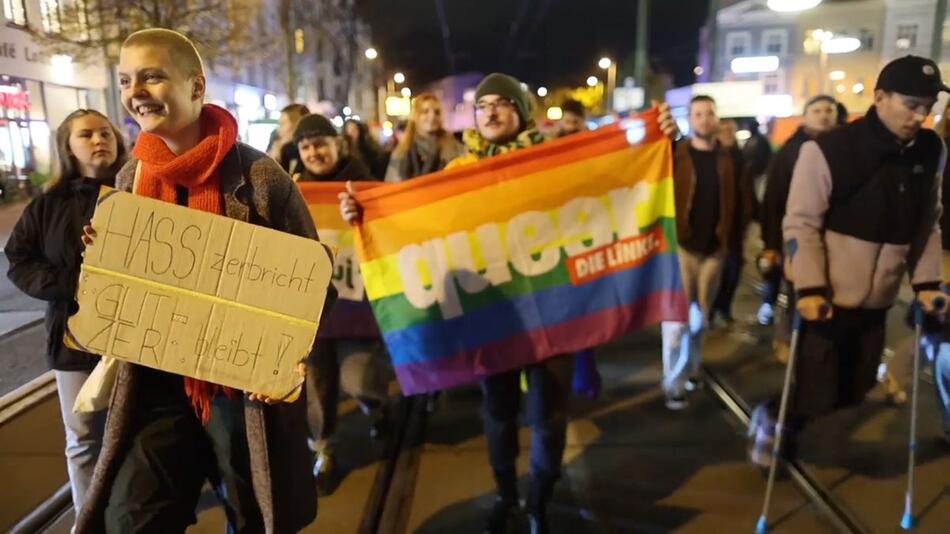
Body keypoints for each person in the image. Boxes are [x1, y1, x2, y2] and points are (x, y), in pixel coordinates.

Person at [73, 29, 330, 533]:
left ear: (196, 87)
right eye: (126, 79)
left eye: (152, 76)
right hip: (156, 386)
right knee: (133, 517)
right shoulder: (130, 180)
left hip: (237, 392)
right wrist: (103, 257)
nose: (136, 91)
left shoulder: (262, 177)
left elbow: (315, 289)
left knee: (251, 513)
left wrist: (284, 359)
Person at [748, 55, 949, 468]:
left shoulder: (930, 151)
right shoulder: (828, 150)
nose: (920, 115)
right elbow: (800, 224)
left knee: (854, 390)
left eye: (928, 106)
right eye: (911, 103)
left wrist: (928, 284)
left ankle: (787, 418)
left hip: (877, 300)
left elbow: (928, 223)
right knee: (813, 390)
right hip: (824, 295)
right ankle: (772, 421)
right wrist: (810, 288)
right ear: (879, 97)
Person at [5, 109, 127, 520]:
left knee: (132, 432)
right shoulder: (47, 205)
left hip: (134, 338)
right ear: (68, 146)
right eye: (86, 134)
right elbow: (19, 259)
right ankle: (88, 518)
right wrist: (71, 284)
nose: (99, 140)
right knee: (84, 438)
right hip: (73, 340)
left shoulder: (142, 192)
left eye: (105, 132)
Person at [291, 112, 391, 493]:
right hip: (312, 311)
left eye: (320, 143)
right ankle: (323, 450)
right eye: (306, 146)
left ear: (338, 145)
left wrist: (363, 214)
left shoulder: (366, 185)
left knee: (360, 377)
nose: (314, 152)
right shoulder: (290, 188)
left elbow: (388, 233)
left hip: (358, 308)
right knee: (316, 386)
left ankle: (375, 406)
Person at [661, 95, 745, 411]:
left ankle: (692, 367)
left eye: (710, 113)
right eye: (698, 114)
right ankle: (673, 382)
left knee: (700, 318)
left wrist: (733, 244)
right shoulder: (677, 154)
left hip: (714, 250)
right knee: (678, 320)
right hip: (682, 246)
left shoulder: (728, 159)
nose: (704, 119)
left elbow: (740, 201)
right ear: (690, 118)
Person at [758, 95, 838, 353]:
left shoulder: (845, 148)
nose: (824, 115)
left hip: (835, 237)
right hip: (798, 234)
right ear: (805, 116)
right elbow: (773, 199)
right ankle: (792, 342)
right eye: (817, 110)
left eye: (829, 110)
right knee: (799, 289)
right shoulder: (789, 151)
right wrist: (770, 244)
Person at [709, 118, 746, 325]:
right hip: (716, 226)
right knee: (718, 272)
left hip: (736, 226)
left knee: (734, 269)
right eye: (722, 130)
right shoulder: (713, 156)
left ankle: (724, 306)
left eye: (729, 130)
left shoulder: (741, 156)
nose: (726, 133)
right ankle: (712, 309)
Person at [384, 93, 464, 183]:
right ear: (415, 116)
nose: (432, 116)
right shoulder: (402, 151)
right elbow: (392, 185)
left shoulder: (453, 145)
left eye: (437, 112)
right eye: (425, 111)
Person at [267, 103, 309, 174]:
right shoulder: (282, 150)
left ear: (297, 125)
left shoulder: (289, 151)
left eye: (282, 124)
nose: (278, 130)